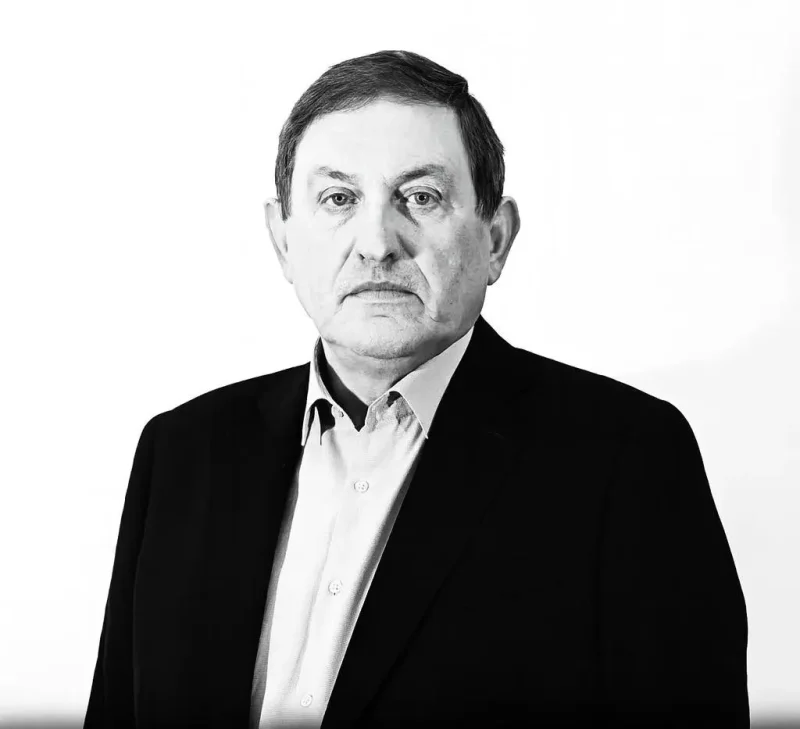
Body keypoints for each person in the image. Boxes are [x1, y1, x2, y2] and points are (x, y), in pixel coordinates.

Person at [84, 50, 749, 729]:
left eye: (421, 197)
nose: (377, 243)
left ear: (496, 239)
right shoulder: (181, 451)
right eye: (338, 199)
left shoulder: (627, 460)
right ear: (282, 240)